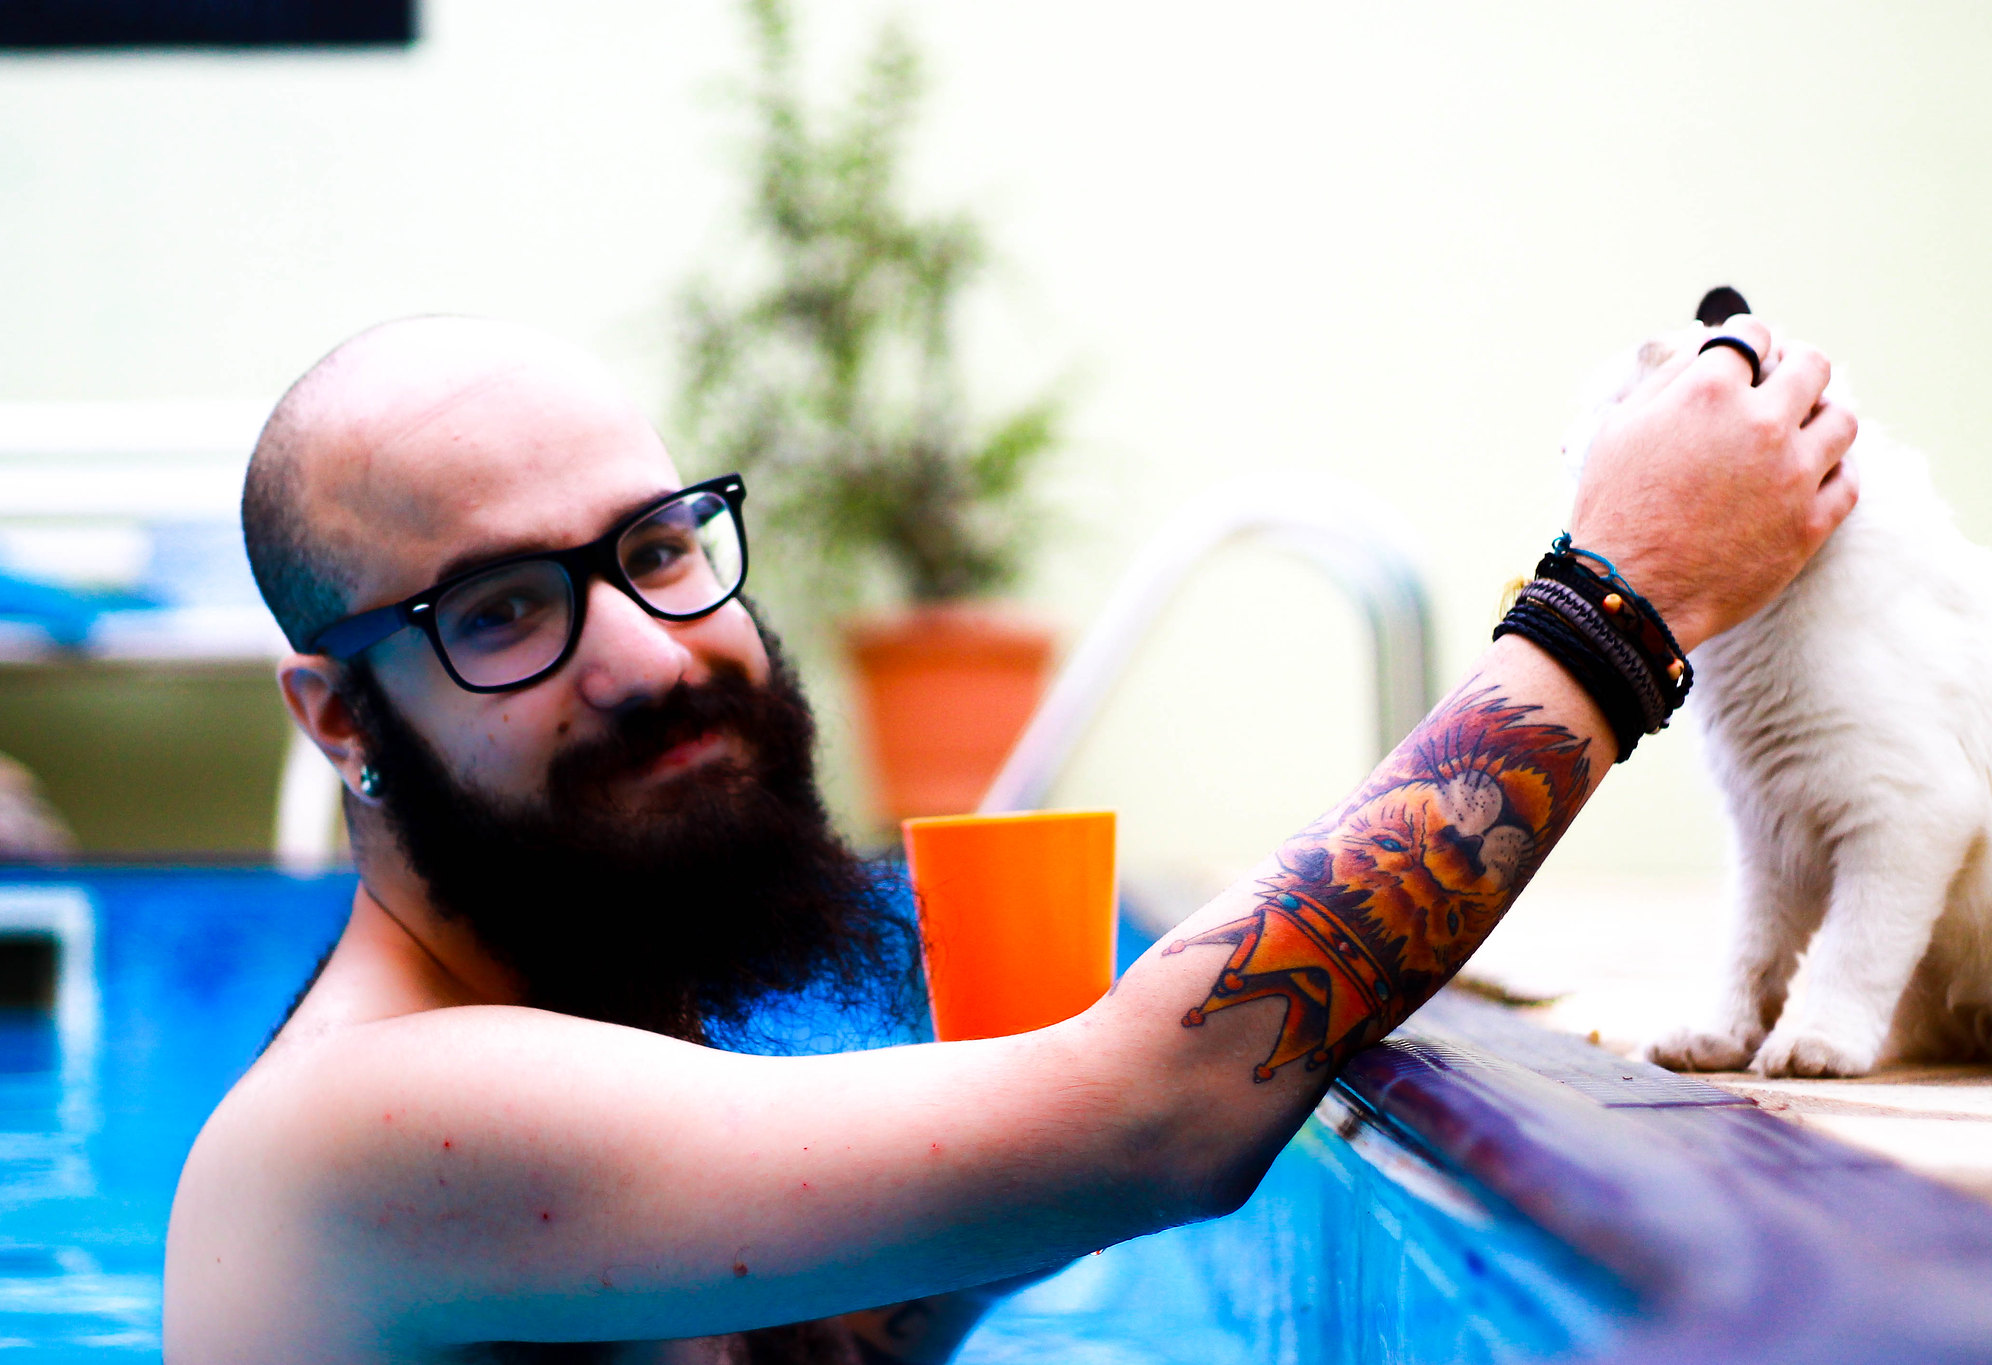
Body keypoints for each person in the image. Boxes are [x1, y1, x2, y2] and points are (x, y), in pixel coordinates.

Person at [164, 313, 1856, 1363]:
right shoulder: (366, 1128)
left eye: (660, 550)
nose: (649, 656)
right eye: (504, 610)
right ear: (339, 716)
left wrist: (994, 1154)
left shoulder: (580, 1025)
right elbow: (1158, 1116)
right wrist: (1619, 602)